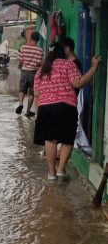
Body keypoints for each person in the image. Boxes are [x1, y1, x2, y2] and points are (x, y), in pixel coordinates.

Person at [33, 42, 101, 180]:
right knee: (67, 139)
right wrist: (94, 67)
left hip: (45, 108)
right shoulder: (68, 64)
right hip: (65, 107)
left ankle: (51, 173)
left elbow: (37, 94)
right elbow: (78, 83)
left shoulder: (41, 70)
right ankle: (61, 170)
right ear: (62, 52)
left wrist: (38, 113)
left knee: (50, 139)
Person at [15, 30, 43, 116]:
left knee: (22, 89)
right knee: (31, 93)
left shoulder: (23, 47)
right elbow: (39, 63)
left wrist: (25, 64)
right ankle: (27, 111)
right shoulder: (39, 50)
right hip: (34, 73)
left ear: (30, 38)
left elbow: (20, 59)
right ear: (38, 40)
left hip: (24, 71)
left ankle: (20, 103)